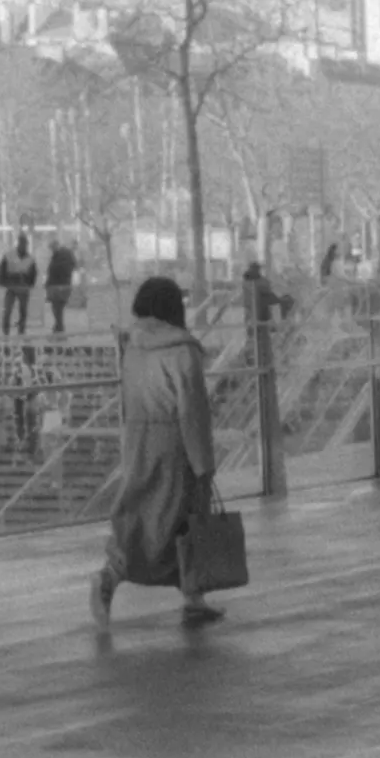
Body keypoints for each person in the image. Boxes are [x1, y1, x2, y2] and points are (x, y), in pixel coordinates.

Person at [89, 277, 222, 628]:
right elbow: (191, 411)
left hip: (138, 439)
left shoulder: (133, 347)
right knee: (183, 517)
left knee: (141, 517)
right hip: (174, 445)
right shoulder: (183, 350)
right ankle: (187, 594)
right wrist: (203, 463)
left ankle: (117, 576)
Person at [0, 229, 38, 334]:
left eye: (25, 244)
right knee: (7, 310)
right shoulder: (9, 255)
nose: (23, 246)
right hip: (11, 287)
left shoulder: (30, 259)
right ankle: (6, 331)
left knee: (23, 311)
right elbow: (2, 270)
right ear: (18, 243)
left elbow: (33, 274)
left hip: (23, 287)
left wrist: (29, 284)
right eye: (22, 243)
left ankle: (21, 330)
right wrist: (4, 282)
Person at [43, 236, 79, 335]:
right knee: (58, 308)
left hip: (57, 286)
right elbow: (75, 266)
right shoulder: (67, 254)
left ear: (56, 246)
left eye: (52, 248)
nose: (52, 250)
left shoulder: (59, 256)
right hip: (65, 285)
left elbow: (53, 271)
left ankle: (60, 329)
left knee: (57, 308)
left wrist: (48, 284)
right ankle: (58, 328)